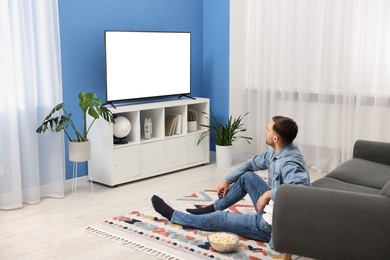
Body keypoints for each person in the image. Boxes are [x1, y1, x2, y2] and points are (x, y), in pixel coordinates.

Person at [151, 116, 311, 244]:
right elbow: (250, 164)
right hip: (274, 209)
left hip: (272, 226)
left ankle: (175, 216)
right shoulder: (278, 153)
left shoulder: (289, 162)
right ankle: (212, 208)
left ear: (275, 138)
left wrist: (270, 194)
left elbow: (302, 191)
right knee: (247, 176)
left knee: (221, 218)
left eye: (268, 129)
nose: (265, 131)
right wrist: (226, 180)